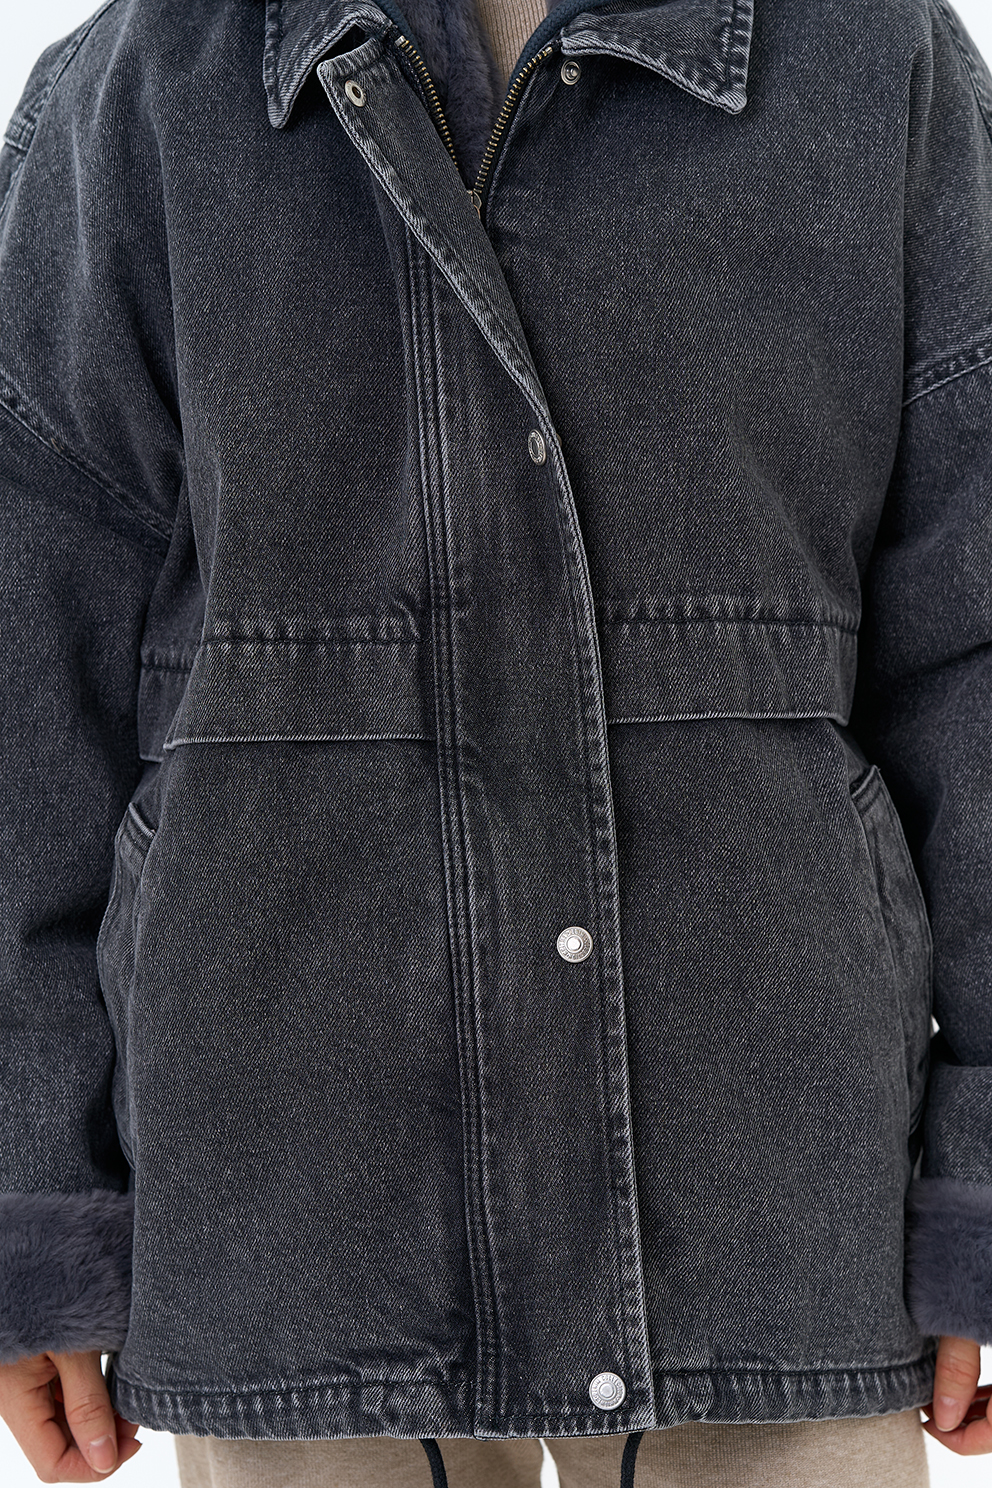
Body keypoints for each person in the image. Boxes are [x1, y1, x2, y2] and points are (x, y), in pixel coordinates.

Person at [0, 0, 991, 1483]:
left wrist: (979, 1188)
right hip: (293, 1183)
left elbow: (971, 648)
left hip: (766, 1177)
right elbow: (32, 672)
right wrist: (34, 1203)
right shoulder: (143, 85)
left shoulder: (868, 60)